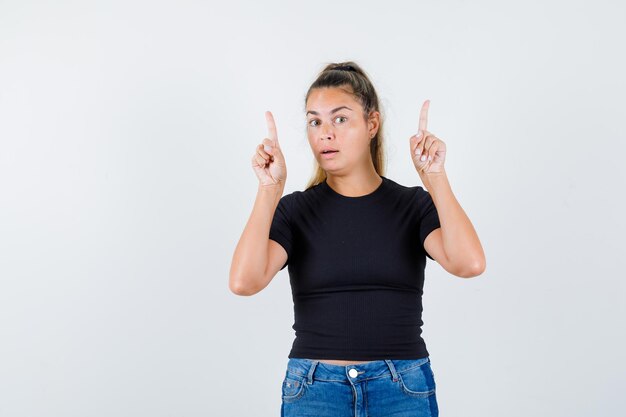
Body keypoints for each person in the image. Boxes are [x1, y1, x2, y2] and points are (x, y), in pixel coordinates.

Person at [229, 61, 486, 416]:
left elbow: (469, 263)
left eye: (340, 118)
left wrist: (435, 178)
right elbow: (244, 282)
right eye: (315, 121)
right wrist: (269, 190)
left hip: (401, 388)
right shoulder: (295, 210)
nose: (325, 133)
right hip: (315, 390)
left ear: (372, 125)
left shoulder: (412, 205)